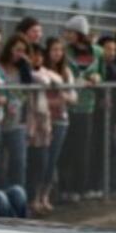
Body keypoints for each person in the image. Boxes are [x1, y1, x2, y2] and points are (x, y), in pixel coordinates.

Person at [61, 16, 103, 202]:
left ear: (79, 34)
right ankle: (64, 188)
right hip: (68, 105)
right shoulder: (64, 52)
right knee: (66, 149)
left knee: (82, 149)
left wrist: (96, 77)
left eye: (70, 32)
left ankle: (80, 188)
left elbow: (102, 74)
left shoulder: (97, 52)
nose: (67, 35)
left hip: (87, 106)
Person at [38, 37, 76, 213]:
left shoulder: (66, 72)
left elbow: (73, 96)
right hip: (44, 120)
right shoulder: (41, 70)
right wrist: (56, 101)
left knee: (52, 159)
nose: (58, 53)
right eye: (54, 50)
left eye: (60, 50)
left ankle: (45, 195)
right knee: (42, 158)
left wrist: (64, 98)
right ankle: (36, 196)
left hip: (61, 120)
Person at [0, 34, 33, 193]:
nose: (20, 54)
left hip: (16, 121)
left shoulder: (23, 68)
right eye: (17, 49)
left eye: (24, 51)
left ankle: (18, 194)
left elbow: (27, 92)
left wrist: (27, 66)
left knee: (18, 161)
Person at [25, 42, 54, 212]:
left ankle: (37, 198)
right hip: (29, 123)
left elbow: (48, 80)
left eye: (40, 55)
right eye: (33, 55)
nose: (37, 58)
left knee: (42, 163)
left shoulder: (41, 72)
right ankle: (29, 200)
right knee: (30, 164)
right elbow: (37, 78)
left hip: (43, 123)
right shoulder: (25, 72)